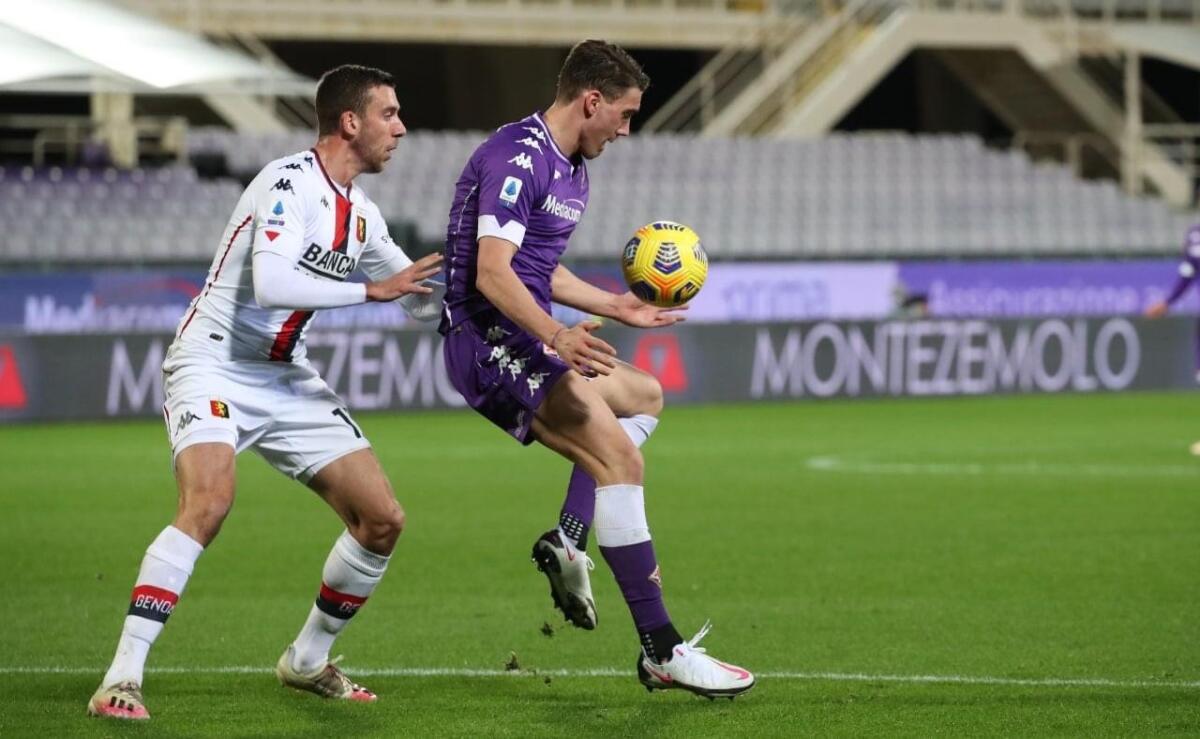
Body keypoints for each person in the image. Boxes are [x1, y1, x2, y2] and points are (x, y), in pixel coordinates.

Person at [87, 65, 444, 720]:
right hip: (214, 361)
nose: (401, 127)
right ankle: (122, 675)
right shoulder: (286, 184)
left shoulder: (360, 216)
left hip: (285, 375)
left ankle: (306, 659)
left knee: (382, 518)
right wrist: (371, 291)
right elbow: (275, 284)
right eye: (389, 113)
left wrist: (531, 319)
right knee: (210, 499)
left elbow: (423, 298)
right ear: (350, 122)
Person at [438, 40, 754, 699]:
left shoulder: (573, 168)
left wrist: (614, 303)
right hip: (487, 339)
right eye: (626, 113)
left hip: (524, 333)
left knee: (643, 397)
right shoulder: (517, 158)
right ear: (592, 100)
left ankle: (570, 536)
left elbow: (537, 267)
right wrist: (557, 333)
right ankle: (661, 650)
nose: (627, 129)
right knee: (621, 461)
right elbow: (493, 272)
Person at [1145, 222, 1200, 384]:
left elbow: (1187, 274)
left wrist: (1168, 302)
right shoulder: (1195, 235)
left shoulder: (1194, 235)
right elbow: (1187, 273)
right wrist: (1167, 302)